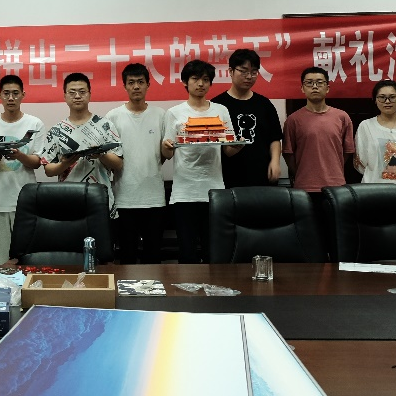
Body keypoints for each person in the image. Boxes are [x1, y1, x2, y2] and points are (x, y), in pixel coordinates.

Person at [161, 60, 240, 264]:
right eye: (195, 79)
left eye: (205, 79)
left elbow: (229, 150)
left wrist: (240, 144)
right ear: (185, 82)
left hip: (214, 190)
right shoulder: (174, 113)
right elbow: (167, 153)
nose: (201, 84)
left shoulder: (221, 110)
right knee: (187, 253)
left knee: (213, 252)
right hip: (184, 193)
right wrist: (166, 146)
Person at [0, 75, 43, 266]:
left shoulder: (35, 124)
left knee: (28, 258)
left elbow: (37, 162)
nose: (11, 98)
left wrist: (19, 156)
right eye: (6, 93)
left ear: (23, 95)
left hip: (25, 201)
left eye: (15, 93)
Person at [36, 73, 124, 213]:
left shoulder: (105, 125)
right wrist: (65, 164)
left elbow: (118, 164)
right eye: (72, 92)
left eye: (82, 92)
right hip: (68, 200)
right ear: (65, 96)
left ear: (89, 95)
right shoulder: (56, 130)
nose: (77, 96)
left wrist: (101, 155)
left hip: (101, 200)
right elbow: (48, 171)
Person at [105, 63, 166, 264]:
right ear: (125, 86)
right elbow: (110, 158)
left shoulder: (160, 115)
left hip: (154, 197)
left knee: (153, 257)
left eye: (140, 82)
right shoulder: (113, 117)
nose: (136, 86)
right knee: (127, 257)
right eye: (131, 82)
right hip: (124, 198)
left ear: (148, 84)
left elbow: (164, 154)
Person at [211, 49, 282, 187]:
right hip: (228, 176)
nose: (249, 76)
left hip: (262, 175)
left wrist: (275, 161)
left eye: (254, 72)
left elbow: (275, 138)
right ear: (231, 71)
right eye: (243, 71)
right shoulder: (216, 105)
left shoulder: (264, 104)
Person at [282, 67, 355, 203]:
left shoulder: (342, 117)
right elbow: (288, 153)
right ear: (302, 88)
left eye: (319, 82)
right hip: (304, 187)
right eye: (309, 83)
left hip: (336, 185)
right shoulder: (293, 120)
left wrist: (333, 167)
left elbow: (347, 151)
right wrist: (303, 174)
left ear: (327, 88)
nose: (314, 86)